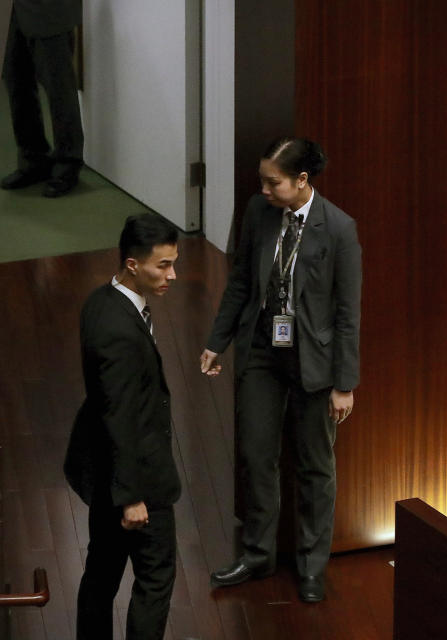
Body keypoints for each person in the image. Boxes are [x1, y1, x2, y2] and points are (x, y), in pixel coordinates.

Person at [201, 136, 361, 603]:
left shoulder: (339, 230)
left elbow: (349, 313)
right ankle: (257, 554)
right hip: (261, 350)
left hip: (315, 360)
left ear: (302, 180)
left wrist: (344, 384)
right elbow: (241, 282)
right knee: (256, 454)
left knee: (315, 466)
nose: (265, 189)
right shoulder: (258, 211)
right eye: (263, 181)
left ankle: (312, 566)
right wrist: (218, 341)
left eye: (274, 182)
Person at [63, 213, 181, 639]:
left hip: (104, 472)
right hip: (137, 482)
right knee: (154, 579)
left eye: (173, 263)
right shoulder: (120, 331)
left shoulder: (101, 300)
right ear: (133, 264)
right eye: (163, 266)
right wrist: (131, 497)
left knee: (101, 573)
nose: (173, 275)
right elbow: (118, 414)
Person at [1, 0, 85, 197]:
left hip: (49, 9)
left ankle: (68, 163)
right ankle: (33, 159)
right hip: (10, 10)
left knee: (59, 87)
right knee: (16, 81)